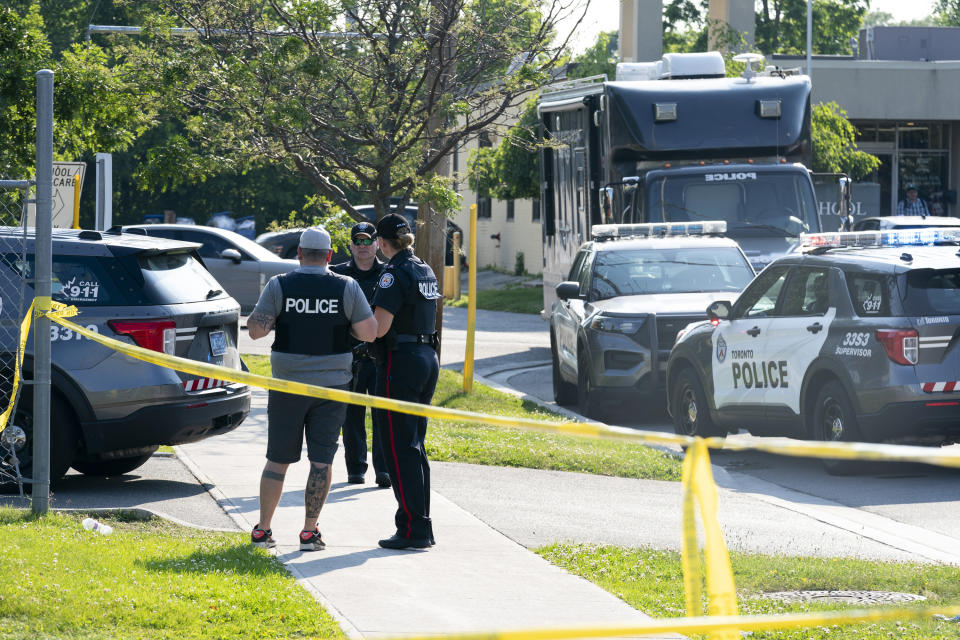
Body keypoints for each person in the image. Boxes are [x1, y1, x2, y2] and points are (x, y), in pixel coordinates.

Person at [246, 226, 377, 551]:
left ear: (299, 254)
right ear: (330, 256)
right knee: (322, 460)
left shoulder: (280, 285)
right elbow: (370, 332)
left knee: (278, 459)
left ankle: (264, 530)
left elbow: (255, 332)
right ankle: (309, 532)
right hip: (332, 388)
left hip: (287, 387)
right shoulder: (346, 286)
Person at [370, 213, 442, 550]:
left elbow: (379, 328)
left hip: (402, 362)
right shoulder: (423, 268)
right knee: (414, 445)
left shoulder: (392, 274)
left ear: (381, 243)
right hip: (427, 357)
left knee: (399, 449)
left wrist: (354, 330)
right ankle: (419, 524)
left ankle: (413, 529)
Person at [330, 221, 391, 488]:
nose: (363, 246)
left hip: (381, 357)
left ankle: (384, 470)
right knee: (351, 417)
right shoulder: (337, 275)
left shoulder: (390, 274)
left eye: (369, 241)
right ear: (351, 245)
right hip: (350, 357)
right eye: (358, 241)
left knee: (382, 416)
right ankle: (356, 469)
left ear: (378, 244)